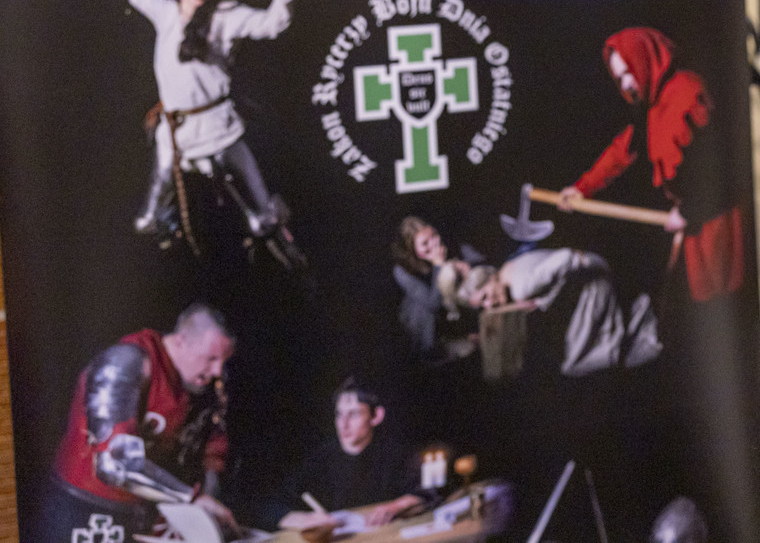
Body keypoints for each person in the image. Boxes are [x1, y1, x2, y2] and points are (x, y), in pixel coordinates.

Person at [111, 0, 296, 240]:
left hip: (220, 129)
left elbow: (275, 22)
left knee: (263, 217)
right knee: (149, 218)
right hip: (176, 132)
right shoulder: (166, 14)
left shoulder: (227, 16)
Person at [557, 28, 744, 302]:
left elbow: (719, 166)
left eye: (628, 73)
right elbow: (622, 151)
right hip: (693, 223)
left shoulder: (688, 93)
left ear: (644, 59)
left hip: (717, 223)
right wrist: (581, 188)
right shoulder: (651, 106)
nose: (626, 84)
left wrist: (689, 210)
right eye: (619, 78)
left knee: (721, 298)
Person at [42, 304, 236, 542]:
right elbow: (115, 463)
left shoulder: (202, 386)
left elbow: (212, 449)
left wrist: (208, 502)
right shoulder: (126, 362)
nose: (217, 371)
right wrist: (191, 498)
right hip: (85, 506)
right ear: (182, 340)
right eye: (211, 358)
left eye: (223, 361)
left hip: (144, 511)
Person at [391, 217, 661, 376]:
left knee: (574, 362)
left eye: (434, 236)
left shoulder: (520, 285)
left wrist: (599, 268)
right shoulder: (405, 273)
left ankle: (640, 328)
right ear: (412, 252)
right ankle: (631, 325)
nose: (435, 244)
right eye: (425, 244)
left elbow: (567, 258)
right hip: (431, 324)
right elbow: (436, 304)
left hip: (592, 281)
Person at [270, 378, 421, 531]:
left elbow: (424, 493)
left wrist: (395, 506)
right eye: (339, 414)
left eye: (353, 414)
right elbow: (273, 506)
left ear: (376, 416)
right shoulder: (321, 459)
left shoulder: (394, 453)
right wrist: (304, 519)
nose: (344, 424)